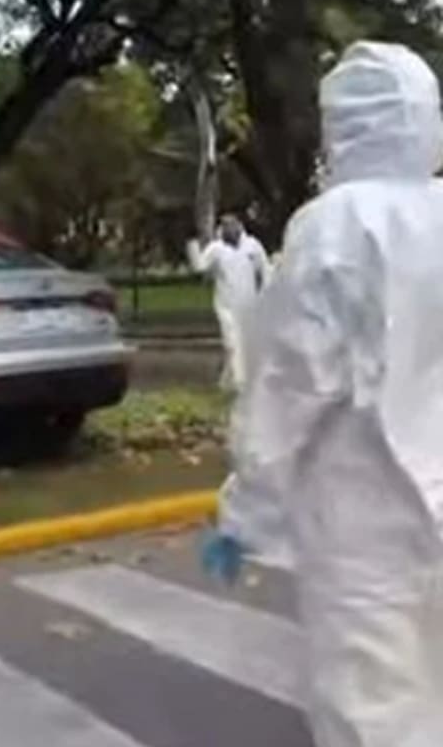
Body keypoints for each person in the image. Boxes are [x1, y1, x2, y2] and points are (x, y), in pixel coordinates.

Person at [202, 41, 443, 747]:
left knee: (371, 708)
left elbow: (289, 389)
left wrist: (242, 516)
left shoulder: (332, 228)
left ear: (341, 127)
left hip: (364, 514)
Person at [187, 214, 271, 391]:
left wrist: (266, 293)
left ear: (240, 226)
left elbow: (265, 270)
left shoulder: (252, 245)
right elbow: (201, 267)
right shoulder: (216, 249)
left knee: (244, 344)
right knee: (232, 343)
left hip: (249, 304)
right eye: (225, 226)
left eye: (233, 225)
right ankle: (242, 385)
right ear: (222, 229)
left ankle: (226, 383)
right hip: (226, 306)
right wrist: (193, 247)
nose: (230, 229)